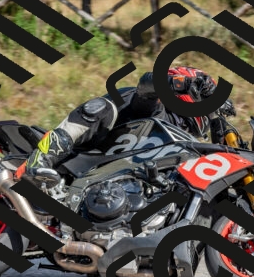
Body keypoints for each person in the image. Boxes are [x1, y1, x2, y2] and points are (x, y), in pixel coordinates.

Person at [16, 66, 233, 187]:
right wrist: (183, 83)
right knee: (101, 108)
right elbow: (147, 84)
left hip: (112, 186)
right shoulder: (156, 109)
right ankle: (40, 158)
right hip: (84, 156)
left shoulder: (187, 145)